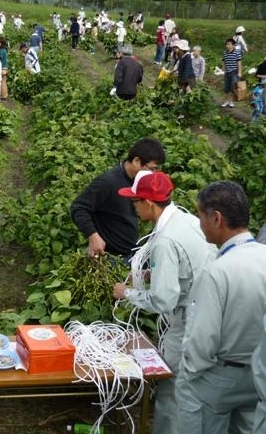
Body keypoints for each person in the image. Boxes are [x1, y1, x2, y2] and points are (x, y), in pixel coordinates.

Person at [112, 171, 217, 434]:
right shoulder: (187, 220)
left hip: (187, 322)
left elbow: (162, 299)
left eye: (135, 202)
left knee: (172, 389)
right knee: (197, 388)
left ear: (148, 203)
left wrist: (125, 293)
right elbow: (190, 265)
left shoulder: (165, 241)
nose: (133, 207)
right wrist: (153, 274)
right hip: (211, 312)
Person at [177, 181, 266, 433]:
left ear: (216, 219)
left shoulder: (218, 271)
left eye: (200, 216)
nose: (199, 224)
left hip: (221, 376)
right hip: (259, 376)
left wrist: (191, 374)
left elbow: (202, 339)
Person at [70, 138, 166, 260]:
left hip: (131, 253)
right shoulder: (108, 182)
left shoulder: (138, 181)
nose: (153, 173)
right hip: (110, 257)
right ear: (136, 161)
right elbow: (78, 207)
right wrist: (93, 235)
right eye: (152, 168)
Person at [221, 38, 242, 108]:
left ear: (233, 45)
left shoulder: (237, 53)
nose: (227, 45)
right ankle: (226, 101)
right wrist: (223, 70)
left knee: (233, 87)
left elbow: (239, 63)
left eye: (229, 44)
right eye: (227, 44)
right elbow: (223, 62)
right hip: (227, 72)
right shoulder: (225, 53)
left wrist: (240, 72)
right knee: (226, 88)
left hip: (234, 72)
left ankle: (231, 101)